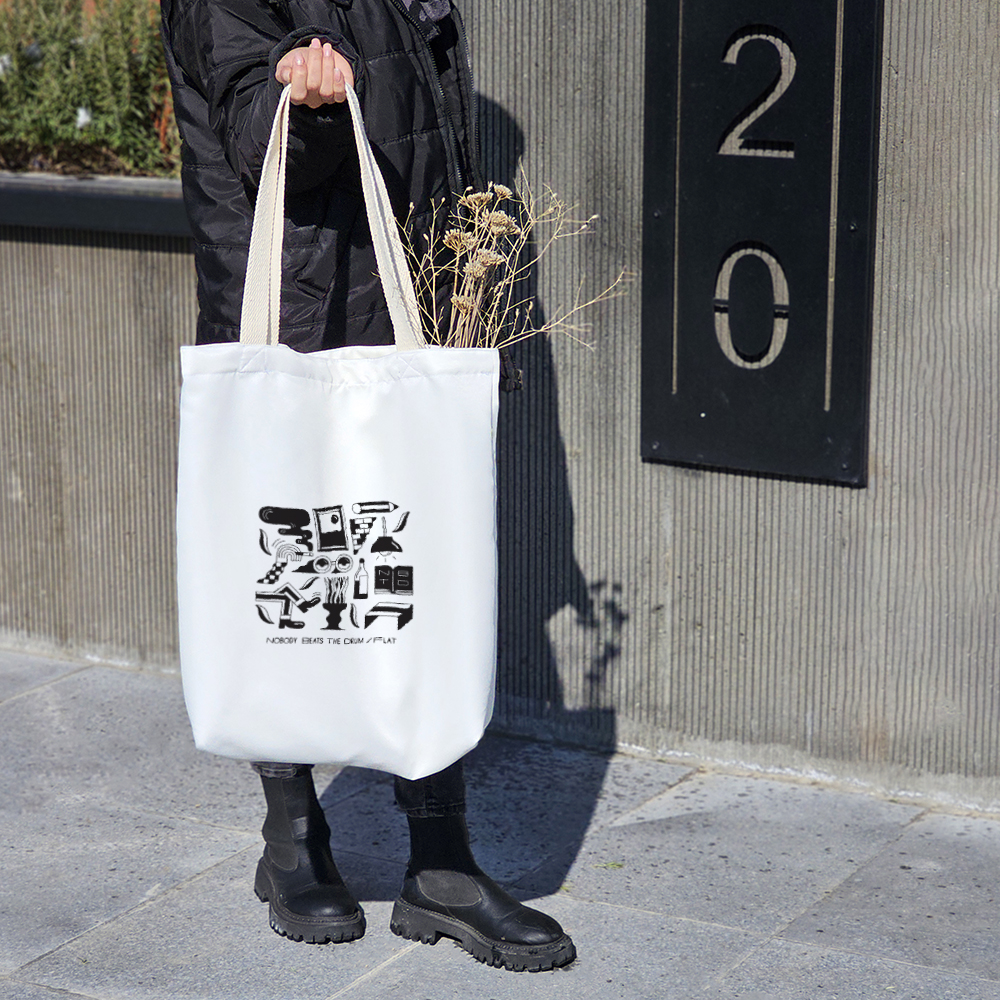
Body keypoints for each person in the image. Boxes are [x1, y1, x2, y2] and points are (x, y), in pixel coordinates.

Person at [159, 0, 574, 973]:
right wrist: (301, 106)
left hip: (400, 300)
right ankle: (293, 837)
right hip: (298, 302)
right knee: (296, 575)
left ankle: (442, 861)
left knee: (416, 574)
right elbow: (254, 135)